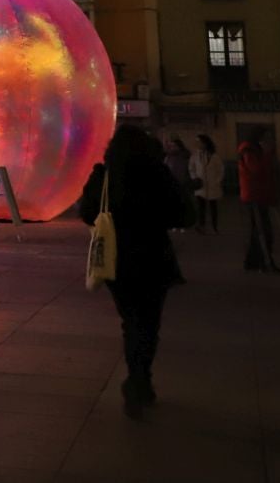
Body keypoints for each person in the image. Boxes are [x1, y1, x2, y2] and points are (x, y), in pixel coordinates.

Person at [80, 125, 193, 417]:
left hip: (117, 260)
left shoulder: (104, 175)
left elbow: (86, 212)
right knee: (148, 323)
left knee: (130, 321)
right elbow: (184, 214)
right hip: (154, 258)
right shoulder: (157, 174)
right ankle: (140, 379)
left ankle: (138, 379)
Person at [237, 128, 280, 273]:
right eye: (267, 137)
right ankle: (265, 262)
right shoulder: (249, 152)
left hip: (262, 194)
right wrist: (266, 153)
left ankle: (253, 262)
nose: (270, 141)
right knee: (263, 231)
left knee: (259, 230)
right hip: (254, 195)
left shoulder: (255, 152)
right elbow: (256, 169)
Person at [189, 134, 221, 233]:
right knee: (201, 207)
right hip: (200, 185)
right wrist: (195, 178)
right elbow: (191, 168)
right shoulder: (195, 155)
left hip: (212, 185)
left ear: (206, 143)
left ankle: (214, 227)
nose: (198, 144)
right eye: (197, 142)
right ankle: (201, 226)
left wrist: (217, 181)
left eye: (200, 142)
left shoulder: (214, 156)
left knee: (213, 207)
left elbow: (220, 170)